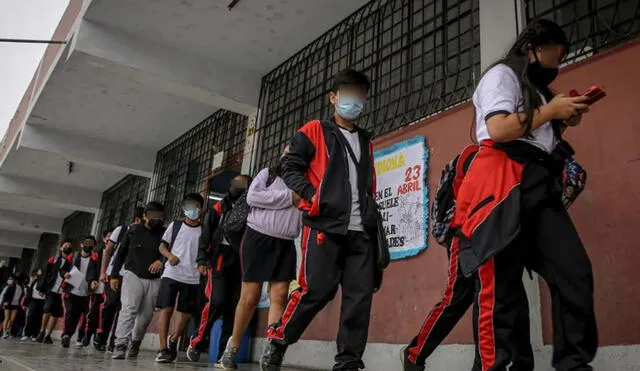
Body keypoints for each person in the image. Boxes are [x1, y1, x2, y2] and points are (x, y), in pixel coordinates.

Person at [450, 19, 597, 370]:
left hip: (539, 184)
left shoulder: (536, 88)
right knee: (502, 290)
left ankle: (573, 363)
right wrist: (549, 111)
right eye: (553, 56)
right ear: (534, 49)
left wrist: (562, 117)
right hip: (503, 183)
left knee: (573, 271)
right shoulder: (501, 75)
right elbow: (500, 127)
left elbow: (536, 131)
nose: (555, 65)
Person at [261, 69, 379, 371]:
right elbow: (289, 167)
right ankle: (279, 340)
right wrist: (312, 196)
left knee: (358, 299)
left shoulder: (366, 140)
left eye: (359, 94)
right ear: (333, 97)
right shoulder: (314, 130)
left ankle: (349, 363)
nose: (354, 99)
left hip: (360, 232)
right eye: (348, 93)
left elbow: (368, 184)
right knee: (316, 291)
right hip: (324, 226)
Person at [218, 146, 302, 369]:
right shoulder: (268, 174)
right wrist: (289, 197)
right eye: (287, 153)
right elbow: (254, 196)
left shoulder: (306, 180)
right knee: (250, 297)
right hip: (257, 238)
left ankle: (271, 351)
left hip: (285, 242)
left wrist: (296, 196)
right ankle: (232, 346)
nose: (290, 157)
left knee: (280, 295)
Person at [187, 175, 252, 363]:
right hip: (220, 257)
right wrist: (201, 259)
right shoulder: (219, 207)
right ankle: (197, 342)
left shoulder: (253, 206)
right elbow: (206, 233)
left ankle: (224, 352)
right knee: (217, 301)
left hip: (241, 259)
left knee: (234, 307)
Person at [110, 201, 166, 360]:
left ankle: (135, 342)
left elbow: (171, 250)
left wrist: (161, 260)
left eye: (160, 216)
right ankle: (120, 344)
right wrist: (114, 275)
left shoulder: (165, 233)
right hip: (132, 274)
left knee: (146, 315)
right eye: (153, 215)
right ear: (144, 216)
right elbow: (120, 253)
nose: (157, 218)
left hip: (154, 279)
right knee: (129, 308)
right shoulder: (133, 231)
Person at [155, 193, 205, 363]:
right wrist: (169, 256)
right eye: (190, 206)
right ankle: (162, 349)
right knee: (167, 309)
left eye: (196, 206)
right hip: (172, 272)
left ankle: (174, 339)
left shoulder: (204, 230)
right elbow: (162, 246)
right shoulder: (175, 225)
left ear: (201, 209)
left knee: (186, 314)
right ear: (184, 208)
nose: (193, 210)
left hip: (192, 277)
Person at [95, 208, 144, 352]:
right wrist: (103, 272)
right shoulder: (121, 230)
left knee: (124, 309)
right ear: (136, 220)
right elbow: (108, 251)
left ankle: (115, 341)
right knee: (110, 305)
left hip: (132, 276)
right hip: (114, 274)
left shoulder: (143, 235)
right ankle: (101, 337)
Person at [60, 236, 100, 348]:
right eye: (86, 243)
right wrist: (65, 274)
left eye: (91, 244)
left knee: (77, 316)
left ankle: (70, 334)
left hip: (84, 293)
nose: (88, 246)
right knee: (70, 312)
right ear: (82, 244)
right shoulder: (73, 257)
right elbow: (62, 270)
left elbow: (96, 275)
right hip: (71, 290)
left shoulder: (95, 259)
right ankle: (66, 335)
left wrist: (94, 282)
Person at [36, 240, 74, 344]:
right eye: (66, 246)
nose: (68, 247)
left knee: (56, 313)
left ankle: (48, 335)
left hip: (62, 291)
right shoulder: (54, 259)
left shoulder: (71, 262)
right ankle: (42, 331)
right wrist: (42, 288)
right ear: (61, 248)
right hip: (51, 289)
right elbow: (45, 274)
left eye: (69, 246)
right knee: (47, 309)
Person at [20, 271, 46, 341]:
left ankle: (35, 335)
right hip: (33, 300)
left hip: (43, 302)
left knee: (39, 318)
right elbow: (29, 294)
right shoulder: (34, 282)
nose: (36, 277)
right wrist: (25, 304)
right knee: (30, 316)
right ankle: (27, 334)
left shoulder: (47, 283)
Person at [1, 274, 24, 339]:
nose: (10, 280)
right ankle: (4, 332)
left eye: (11, 279)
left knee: (12, 319)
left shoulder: (18, 287)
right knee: (7, 318)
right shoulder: (6, 287)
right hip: (7, 304)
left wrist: (16, 301)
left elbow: (20, 295)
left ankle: (8, 330)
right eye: (9, 279)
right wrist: (2, 303)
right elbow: (2, 295)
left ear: (14, 280)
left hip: (15, 304)